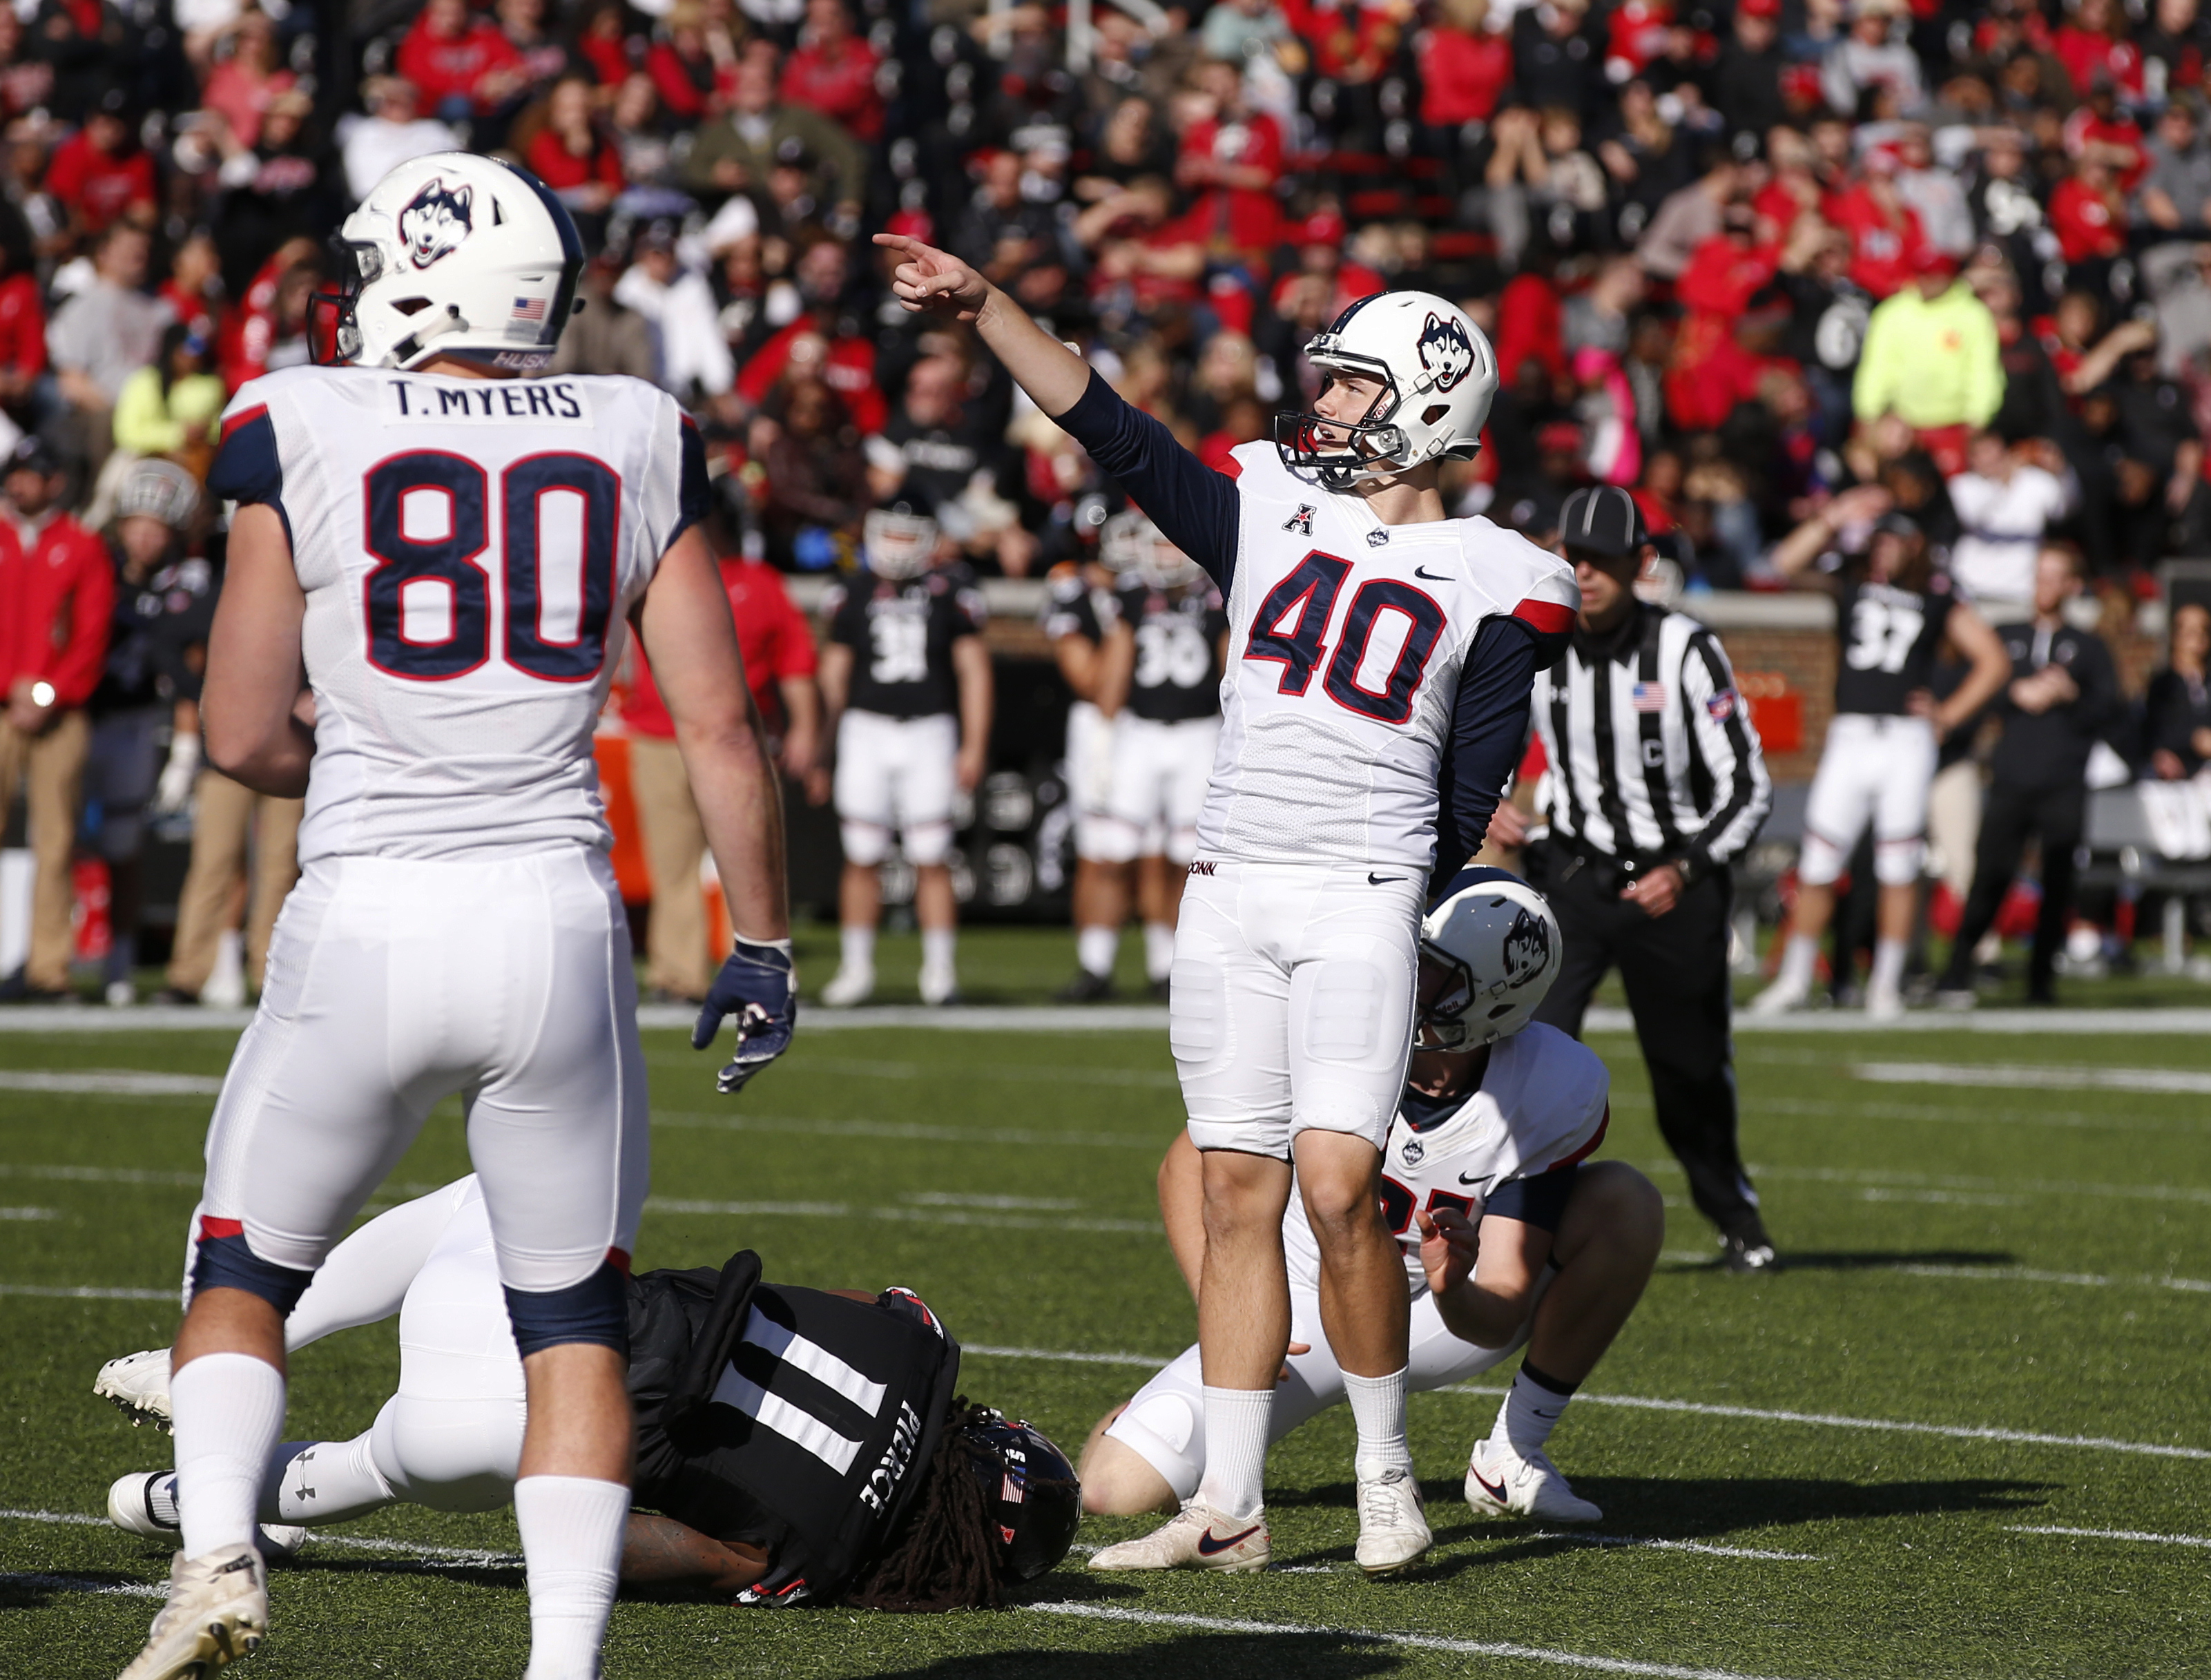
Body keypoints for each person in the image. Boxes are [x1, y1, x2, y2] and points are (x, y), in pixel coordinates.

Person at [115, 153, 796, 1680]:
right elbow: (723, 732)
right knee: (570, 1325)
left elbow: (236, 732)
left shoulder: (298, 417)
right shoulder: (635, 426)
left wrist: (358, 748)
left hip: (366, 906)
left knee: (238, 1274)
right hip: (555, 918)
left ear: (419, 280)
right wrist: (763, 942)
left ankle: (217, 1549)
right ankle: (562, 1667)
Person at [875, 229, 1575, 1578]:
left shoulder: (1501, 573)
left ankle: (1385, 1476)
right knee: (1235, 1185)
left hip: (1362, 890)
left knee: (1336, 1181)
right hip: (1230, 881)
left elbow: (1468, 782)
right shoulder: (1263, 498)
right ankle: (1235, 1505)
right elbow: (1109, 429)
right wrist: (987, 310)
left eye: (1352, 388)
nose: (1320, 405)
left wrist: (1419, 918)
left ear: (1426, 407)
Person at [95, 1177, 1081, 1612]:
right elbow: (655, 1547)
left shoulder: (917, 1339)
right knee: (390, 1464)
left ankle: (236, 1355)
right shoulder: (812, 1565)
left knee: (492, 1189)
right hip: (488, 1433)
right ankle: (170, 1499)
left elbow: (830, 1304)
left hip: (534, 1298)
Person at [1080, 869, 1663, 1527]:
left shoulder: (1551, 1084)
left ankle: (1513, 1450)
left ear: (1492, 998)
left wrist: (1453, 1283)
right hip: (1297, 1303)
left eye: (1429, 968)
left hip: (1434, 1320)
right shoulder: (1328, 1024)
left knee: (1625, 1202)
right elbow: (1185, 1168)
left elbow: (1499, 1310)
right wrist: (1232, 1320)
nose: (1397, 975)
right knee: (1110, 1491)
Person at [1487, 485, 1775, 1272]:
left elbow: (1748, 785)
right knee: (1527, 1050)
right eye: (1571, 557)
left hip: (1669, 887)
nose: (1583, 574)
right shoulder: (1538, 642)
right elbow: (1490, 739)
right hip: (1573, 878)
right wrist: (1492, 806)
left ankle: (1733, 1215)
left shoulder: (1683, 646)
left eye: (1601, 561)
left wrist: (1684, 869)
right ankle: (1511, 1221)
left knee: (1687, 1069)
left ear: (1638, 564)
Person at [1751, 492, 2012, 1018]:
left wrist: (1949, 713)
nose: (1885, 549)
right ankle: (1797, 976)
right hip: (1850, 735)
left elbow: (1993, 660)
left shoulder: (1939, 595)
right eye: (1881, 538)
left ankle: (1886, 985)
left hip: (1905, 741)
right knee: (1820, 859)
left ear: (1917, 545)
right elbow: (1779, 566)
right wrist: (1833, 516)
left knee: (1898, 863)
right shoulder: (1851, 581)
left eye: (1896, 539)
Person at [622, 543, 821, 1003]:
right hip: (658, 733)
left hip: (738, 738)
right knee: (672, 865)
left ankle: (761, 973)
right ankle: (677, 975)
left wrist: (806, 729)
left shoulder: (760, 581)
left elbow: (794, 658)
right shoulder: (647, 567)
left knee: (752, 861)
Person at [817, 490, 993, 1008]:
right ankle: (857, 968)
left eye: (905, 536)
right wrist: (824, 748)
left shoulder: (950, 590)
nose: (895, 546)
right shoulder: (851, 589)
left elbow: (974, 671)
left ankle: (940, 971)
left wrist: (974, 744)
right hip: (865, 729)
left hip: (928, 730)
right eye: (888, 533)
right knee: (862, 853)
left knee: (932, 853)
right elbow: (834, 674)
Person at [1934, 545, 2121, 1007]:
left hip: (2063, 779)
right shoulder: (2005, 638)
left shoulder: (2090, 647)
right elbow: (1976, 690)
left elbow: (2112, 711)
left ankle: (2042, 979)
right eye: (2041, 576)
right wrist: (2013, 691)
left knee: (2058, 880)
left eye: (2057, 577)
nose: (2046, 585)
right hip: (2012, 777)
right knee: (1989, 875)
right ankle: (1960, 967)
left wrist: (2071, 694)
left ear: (2072, 585)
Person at [84, 461, 213, 1006]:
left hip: (150, 720)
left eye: (155, 526)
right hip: (88, 714)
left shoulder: (190, 581)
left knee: (127, 844)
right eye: (136, 523)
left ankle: (123, 958)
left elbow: (193, 661)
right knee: (71, 840)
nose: (143, 535)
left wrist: (185, 749)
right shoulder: (99, 566)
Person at [1094, 512, 1228, 1000]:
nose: (1166, 556)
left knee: (1185, 860)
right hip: (1140, 732)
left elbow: (1230, 670)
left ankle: (1166, 965)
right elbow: (1117, 662)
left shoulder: (1216, 594)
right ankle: (1096, 962)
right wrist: (1102, 736)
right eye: (1160, 546)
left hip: (1198, 732)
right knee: (1115, 851)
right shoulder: (1131, 594)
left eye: (1175, 547)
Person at [0, 434, 111, 1002]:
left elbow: (90, 634)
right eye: (16, 473)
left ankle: (48, 966)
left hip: (58, 710)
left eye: (33, 474)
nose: (20, 484)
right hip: (3, 702)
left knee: (56, 838)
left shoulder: (81, 544)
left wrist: (46, 692)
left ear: (56, 483)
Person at [1040, 536, 1130, 1001]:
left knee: (1177, 851)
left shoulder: (1176, 588)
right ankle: (1095, 964)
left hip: (1175, 723)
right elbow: (1094, 685)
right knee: (1101, 850)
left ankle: (1168, 964)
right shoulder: (1076, 597)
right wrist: (1125, 621)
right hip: (1105, 728)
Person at [2144, 599, 2211, 779]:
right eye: (2190, 632)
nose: (2198, 639)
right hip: (2174, 781)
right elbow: (2154, 730)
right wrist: (2193, 739)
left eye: (2204, 631)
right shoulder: (2163, 686)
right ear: (2175, 636)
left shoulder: (2206, 684)